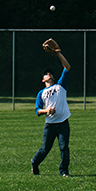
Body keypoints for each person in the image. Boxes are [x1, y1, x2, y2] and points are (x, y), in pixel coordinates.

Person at [32, 39, 73, 177]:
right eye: (46, 74)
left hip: (63, 123)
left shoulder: (60, 86)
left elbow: (67, 67)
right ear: (43, 80)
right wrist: (47, 111)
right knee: (45, 149)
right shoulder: (41, 93)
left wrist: (58, 54)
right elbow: (37, 110)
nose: (48, 74)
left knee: (64, 148)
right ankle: (34, 163)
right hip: (50, 125)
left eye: (50, 73)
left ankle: (64, 171)